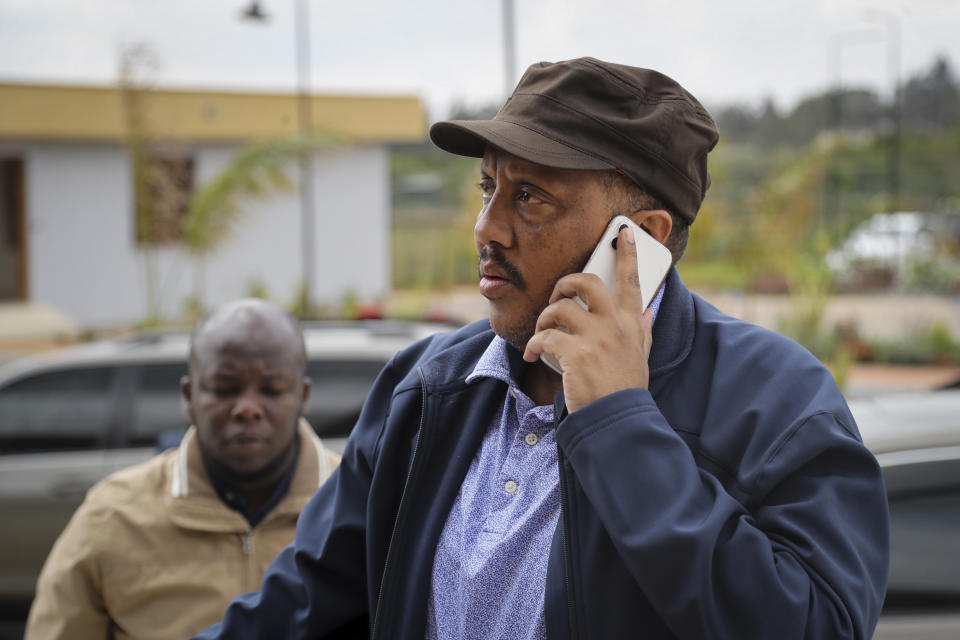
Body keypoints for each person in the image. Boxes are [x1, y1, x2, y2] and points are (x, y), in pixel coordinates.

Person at [196, 58, 889, 639]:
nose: (486, 228)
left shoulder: (777, 402)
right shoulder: (427, 387)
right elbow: (298, 607)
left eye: (530, 198)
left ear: (638, 238)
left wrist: (620, 424)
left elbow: (817, 625)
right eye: (488, 187)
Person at [25, 298, 341, 639]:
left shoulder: (358, 509)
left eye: (272, 389)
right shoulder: (112, 516)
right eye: (225, 388)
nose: (248, 409)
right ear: (189, 396)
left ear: (303, 396)